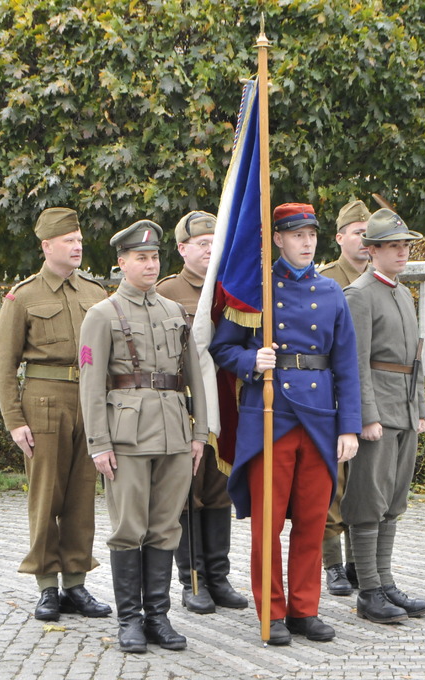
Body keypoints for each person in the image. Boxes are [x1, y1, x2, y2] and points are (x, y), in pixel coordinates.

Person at [209, 203, 361, 646]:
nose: (307, 242)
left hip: (319, 420)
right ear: (277, 238)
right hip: (271, 417)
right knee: (268, 525)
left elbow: (346, 365)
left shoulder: (331, 291)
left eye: (311, 234)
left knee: (313, 520)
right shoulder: (255, 289)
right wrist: (251, 360)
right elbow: (222, 349)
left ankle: (304, 610)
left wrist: (349, 426)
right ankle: (271, 612)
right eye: (297, 235)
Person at [78, 219, 209, 654]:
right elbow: (91, 383)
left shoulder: (174, 312)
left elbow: (193, 375)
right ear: (121, 263)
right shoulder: (101, 315)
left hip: (174, 433)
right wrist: (98, 443)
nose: (150, 265)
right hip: (127, 437)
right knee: (128, 528)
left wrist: (200, 432)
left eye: (154, 257)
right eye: (141, 257)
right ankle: (130, 621)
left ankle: (158, 617)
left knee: (165, 528)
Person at [0, 207, 112, 623]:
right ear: (47, 246)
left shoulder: (96, 293)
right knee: (46, 497)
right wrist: (14, 420)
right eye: (68, 241)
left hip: (89, 399)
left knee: (82, 495)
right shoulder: (24, 296)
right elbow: (2, 364)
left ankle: (76, 583)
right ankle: (46, 584)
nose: (77, 247)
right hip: (43, 401)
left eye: (79, 240)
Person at [341, 208, 425, 624]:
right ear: (371, 250)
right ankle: (369, 591)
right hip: (378, 408)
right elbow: (356, 363)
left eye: (405, 246)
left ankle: (386, 580)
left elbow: (415, 359)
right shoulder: (360, 294)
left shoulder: (402, 292)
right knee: (368, 499)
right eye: (393, 246)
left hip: (405, 408)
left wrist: (421, 409)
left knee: (394, 498)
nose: (402, 253)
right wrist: (365, 416)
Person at [156, 210, 248, 615]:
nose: (210, 250)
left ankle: (218, 575)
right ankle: (191, 579)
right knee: (186, 493)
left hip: (223, 404)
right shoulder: (167, 291)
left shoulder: (231, 287)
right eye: (201, 244)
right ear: (182, 249)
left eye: (215, 243)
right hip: (185, 404)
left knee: (217, 489)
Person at [316, 198, 372, 597]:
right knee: (332, 484)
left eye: (370, 234)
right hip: (332, 394)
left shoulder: (380, 277)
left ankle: (358, 562)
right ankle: (333, 564)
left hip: (368, 395)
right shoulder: (328, 280)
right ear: (340, 238)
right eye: (357, 232)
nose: (365, 240)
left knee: (363, 483)